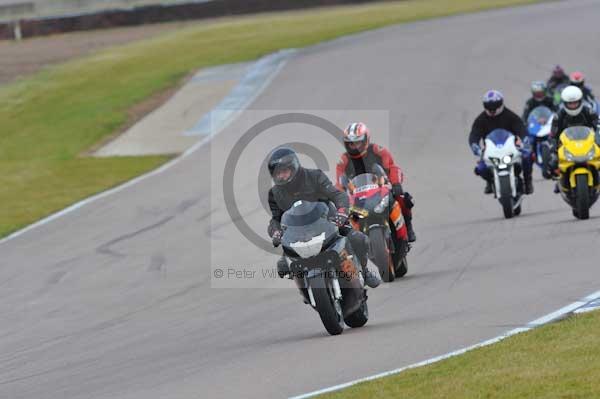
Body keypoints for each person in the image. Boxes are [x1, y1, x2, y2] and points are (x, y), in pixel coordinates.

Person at [267, 147, 381, 288]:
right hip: (297, 232)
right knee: (283, 266)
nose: (282, 176)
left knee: (359, 240)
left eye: (284, 171)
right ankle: (306, 288)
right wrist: (276, 232)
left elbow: (337, 195)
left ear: (294, 167)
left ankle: (364, 271)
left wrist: (342, 212)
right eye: (278, 174)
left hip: (329, 220)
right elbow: (275, 219)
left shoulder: (314, 176)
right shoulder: (274, 193)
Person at [335, 122, 417, 243]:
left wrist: (396, 184)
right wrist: (338, 198)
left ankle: (408, 227)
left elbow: (392, 168)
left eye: (357, 142)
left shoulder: (378, 151)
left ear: (366, 140)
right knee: (340, 220)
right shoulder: (344, 160)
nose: (354, 146)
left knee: (403, 198)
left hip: (380, 189)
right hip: (358, 197)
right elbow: (339, 182)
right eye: (351, 143)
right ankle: (354, 250)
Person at [469, 90, 534, 194]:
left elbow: (521, 128)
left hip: (511, 147)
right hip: (490, 150)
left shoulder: (510, 116)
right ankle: (490, 182)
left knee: (528, 156)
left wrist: (525, 140)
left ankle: (527, 181)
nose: (492, 110)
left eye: (494, 107)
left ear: (501, 104)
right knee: (480, 168)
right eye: (489, 107)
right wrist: (475, 146)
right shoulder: (480, 119)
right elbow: (474, 134)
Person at [546, 85, 599, 178]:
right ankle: (561, 179)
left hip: (588, 144)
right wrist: (553, 148)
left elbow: (598, 126)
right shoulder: (558, 116)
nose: (573, 106)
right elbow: (553, 135)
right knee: (552, 163)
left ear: (580, 101)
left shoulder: (589, 112)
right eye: (570, 104)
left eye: (575, 103)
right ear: (565, 103)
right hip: (567, 146)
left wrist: (598, 140)